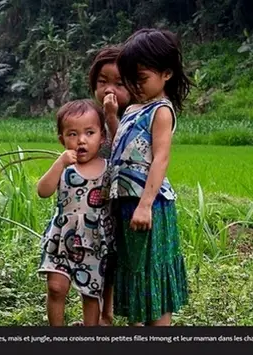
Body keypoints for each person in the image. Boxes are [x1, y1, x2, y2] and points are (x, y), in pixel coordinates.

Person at [107, 28, 191, 326]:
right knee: (135, 273)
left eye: (141, 79)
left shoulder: (162, 111)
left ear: (166, 73)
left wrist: (145, 204)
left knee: (152, 274)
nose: (135, 86)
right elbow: (125, 146)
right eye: (131, 80)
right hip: (127, 205)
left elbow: (160, 158)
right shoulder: (133, 108)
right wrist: (110, 118)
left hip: (150, 206)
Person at [64, 45, 133, 327]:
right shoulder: (89, 118)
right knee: (96, 259)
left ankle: (109, 314)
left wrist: (111, 117)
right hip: (93, 207)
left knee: (114, 260)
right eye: (102, 82)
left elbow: (125, 149)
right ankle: (97, 317)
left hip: (124, 200)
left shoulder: (132, 118)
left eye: (119, 83)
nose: (109, 89)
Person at [37, 99, 114, 326]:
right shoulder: (64, 168)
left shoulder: (109, 169)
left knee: (90, 292)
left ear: (102, 137)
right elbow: (43, 191)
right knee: (56, 287)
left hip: (93, 241)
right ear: (62, 140)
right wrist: (59, 164)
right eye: (72, 134)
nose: (81, 140)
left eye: (89, 133)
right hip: (61, 238)